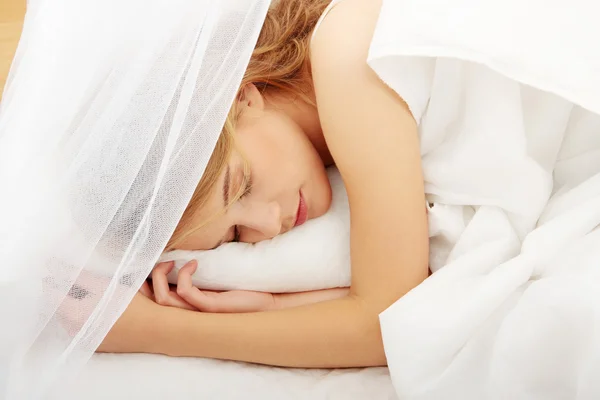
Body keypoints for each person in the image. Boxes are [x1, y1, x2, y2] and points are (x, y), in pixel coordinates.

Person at [98, 0, 430, 368]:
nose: (271, 224)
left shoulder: (344, 57)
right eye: (236, 235)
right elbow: (426, 290)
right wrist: (272, 306)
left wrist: (154, 330)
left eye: (242, 186)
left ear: (243, 97)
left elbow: (392, 324)